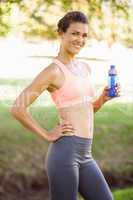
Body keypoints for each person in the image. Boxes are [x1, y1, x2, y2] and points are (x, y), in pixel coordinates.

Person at [11, 11, 120, 200]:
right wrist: (47, 134)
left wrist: (101, 99)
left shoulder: (84, 68)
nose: (80, 39)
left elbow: (86, 110)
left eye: (84, 35)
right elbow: (17, 108)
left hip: (86, 154)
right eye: (75, 33)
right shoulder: (53, 71)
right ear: (61, 33)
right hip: (65, 154)